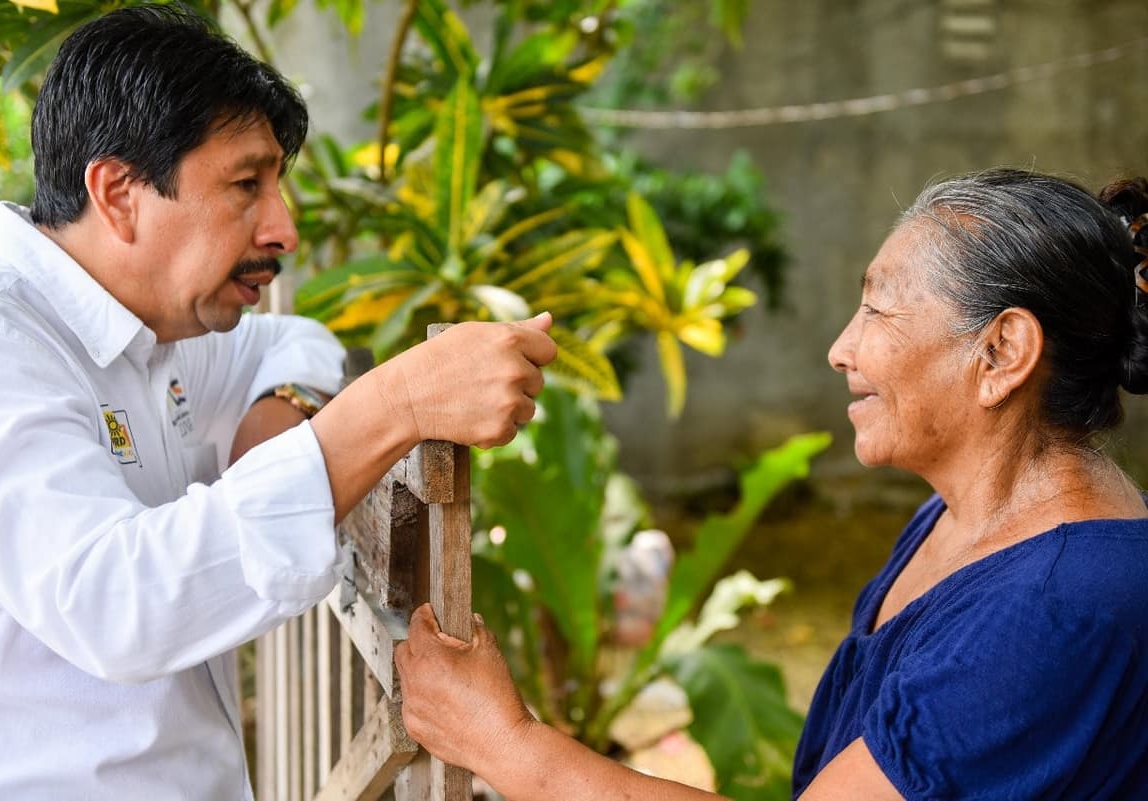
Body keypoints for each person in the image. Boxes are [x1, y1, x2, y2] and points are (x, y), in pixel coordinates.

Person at [0, 7, 556, 801]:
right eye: (246, 184)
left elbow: (289, 341)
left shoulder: (147, 321)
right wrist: (394, 404)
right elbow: (114, 601)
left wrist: (288, 406)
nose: (285, 228)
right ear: (119, 192)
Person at [395, 168, 1148, 800]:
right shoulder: (963, 516)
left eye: (878, 308)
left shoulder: (1060, 606)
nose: (839, 349)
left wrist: (508, 743)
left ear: (1003, 351)